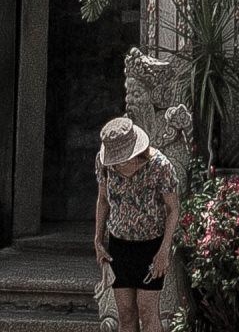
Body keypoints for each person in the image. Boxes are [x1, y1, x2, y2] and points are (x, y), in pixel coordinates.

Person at [93, 115, 181, 332]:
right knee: (125, 313)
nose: (118, 163)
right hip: (119, 245)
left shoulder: (160, 166)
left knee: (147, 311)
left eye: (122, 158)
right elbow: (103, 200)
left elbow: (173, 210)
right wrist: (98, 239)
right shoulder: (104, 164)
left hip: (151, 246)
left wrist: (164, 251)